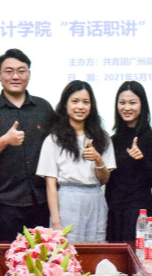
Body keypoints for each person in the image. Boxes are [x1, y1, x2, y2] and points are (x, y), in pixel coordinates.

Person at [0, 49, 54, 241]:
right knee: (7, 257)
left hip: (40, 200)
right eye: (9, 71)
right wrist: (5, 140)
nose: (15, 76)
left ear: (29, 74)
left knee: (42, 257)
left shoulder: (43, 108)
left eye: (21, 71)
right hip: (4, 202)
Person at [36, 80, 115, 243]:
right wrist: (56, 222)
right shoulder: (53, 140)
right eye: (75, 101)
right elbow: (50, 184)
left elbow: (104, 179)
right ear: (65, 104)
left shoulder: (103, 138)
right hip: (67, 200)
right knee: (67, 252)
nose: (80, 107)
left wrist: (98, 159)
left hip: (95, 199)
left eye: (86, 102)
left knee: (96, 251)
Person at [105, 81, 152, 242]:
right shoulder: (113, 139)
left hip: (139, 212)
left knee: (137, 255)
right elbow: (110, 182)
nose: (127, 108)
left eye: (132, 103)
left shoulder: (150, 137)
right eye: (122, 103)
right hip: (115, 212)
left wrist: (141, 160)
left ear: (142, 105)